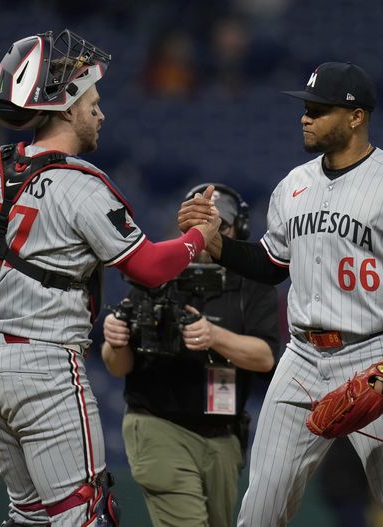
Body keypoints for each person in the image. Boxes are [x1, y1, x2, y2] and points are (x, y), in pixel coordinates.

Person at [0, 30, 220, 527]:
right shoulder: (81, 184)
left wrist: (14, 234)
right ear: (66, 107)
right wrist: (199, 235)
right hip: (43, 366)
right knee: (85, 514)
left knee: (28, 515)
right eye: (93, 101)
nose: (100, 112)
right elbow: (150, 267)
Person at [179, 62, 383, 526]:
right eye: (305, 108)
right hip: (302, 359)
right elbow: (271, 266)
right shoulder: (294, 185)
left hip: (375, 355)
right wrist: (217, 245)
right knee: (260, 508)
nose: (305, 118)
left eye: (318, 109)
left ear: (355, 117)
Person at [101, 184, 280, 527]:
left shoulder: (252, 284)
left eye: (217, 225)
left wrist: (215, 336)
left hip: (222, 435)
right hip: (158, 425)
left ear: (237, 231)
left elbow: (266, 358)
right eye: (197, 224)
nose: (206, 233)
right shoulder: (158, 272)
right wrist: (116, 338)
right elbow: (117, 365)